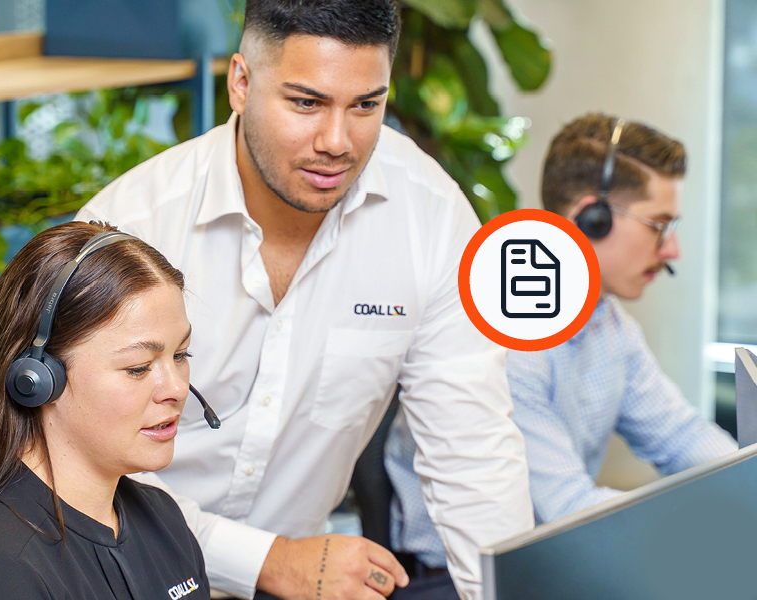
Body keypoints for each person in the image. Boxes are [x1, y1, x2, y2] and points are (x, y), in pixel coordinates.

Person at [74, 1, 534, 598]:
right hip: (122, 575)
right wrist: (266, 560)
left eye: (366, 105)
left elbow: (473, 456)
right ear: (241, 82)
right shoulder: (132, 225)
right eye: (306, 103)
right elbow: (77, 475)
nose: (337, 142)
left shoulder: (431, 217)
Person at [384, 113, 740, 600]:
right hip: (450, 582)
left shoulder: (610, 326)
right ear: (593, 217)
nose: (673, 249)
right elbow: (567, 508)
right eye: (659, 225)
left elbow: (681, 436)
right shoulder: (505, 335)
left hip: (553, 561)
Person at [0, 221, 213, 600]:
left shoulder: (161, 519)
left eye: (180, 355)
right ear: (37, 378)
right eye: (138, 367)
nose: (177, 388)